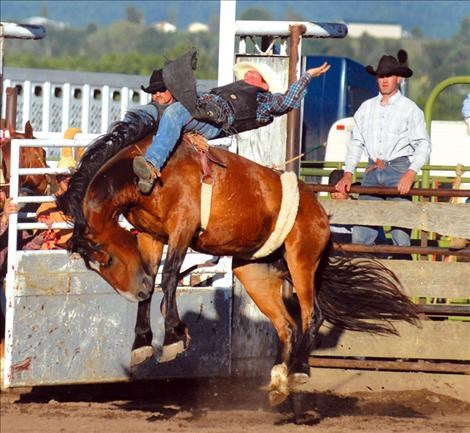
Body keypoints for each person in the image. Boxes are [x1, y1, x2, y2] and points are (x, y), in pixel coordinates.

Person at [133, 50, 331, 193]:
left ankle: (151, 166)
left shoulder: (264, 101)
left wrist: (307, 76)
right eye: (247, 72)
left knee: (174, 113)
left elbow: (288, 101)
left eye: (254, 74)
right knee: (160, 114)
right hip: (202, 111)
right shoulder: (228, 91)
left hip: (212, 121)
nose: (248, 74)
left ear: (264, 85)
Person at [335, 50, 431, 248]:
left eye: (389, 75)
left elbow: (423, 143)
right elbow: (356, 143)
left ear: (397, 78)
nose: (385, 80)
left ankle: (404, 275)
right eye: (381, 76)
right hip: (372, 170)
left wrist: (411, 173)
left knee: (401, 236)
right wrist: (348, 173)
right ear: (377, 79)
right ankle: (363, 276)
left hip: (398, 169)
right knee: (362, 233)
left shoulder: (409, 109)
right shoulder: (365, 108)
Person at [35, 155, 75, 250]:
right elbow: (40, 217)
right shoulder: (49, 203)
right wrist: (43, 219)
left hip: (78, 249)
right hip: (54, 250)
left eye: (72, 176)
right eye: (64, 175)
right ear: (57, 180)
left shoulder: (83, 201)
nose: (68, 178)